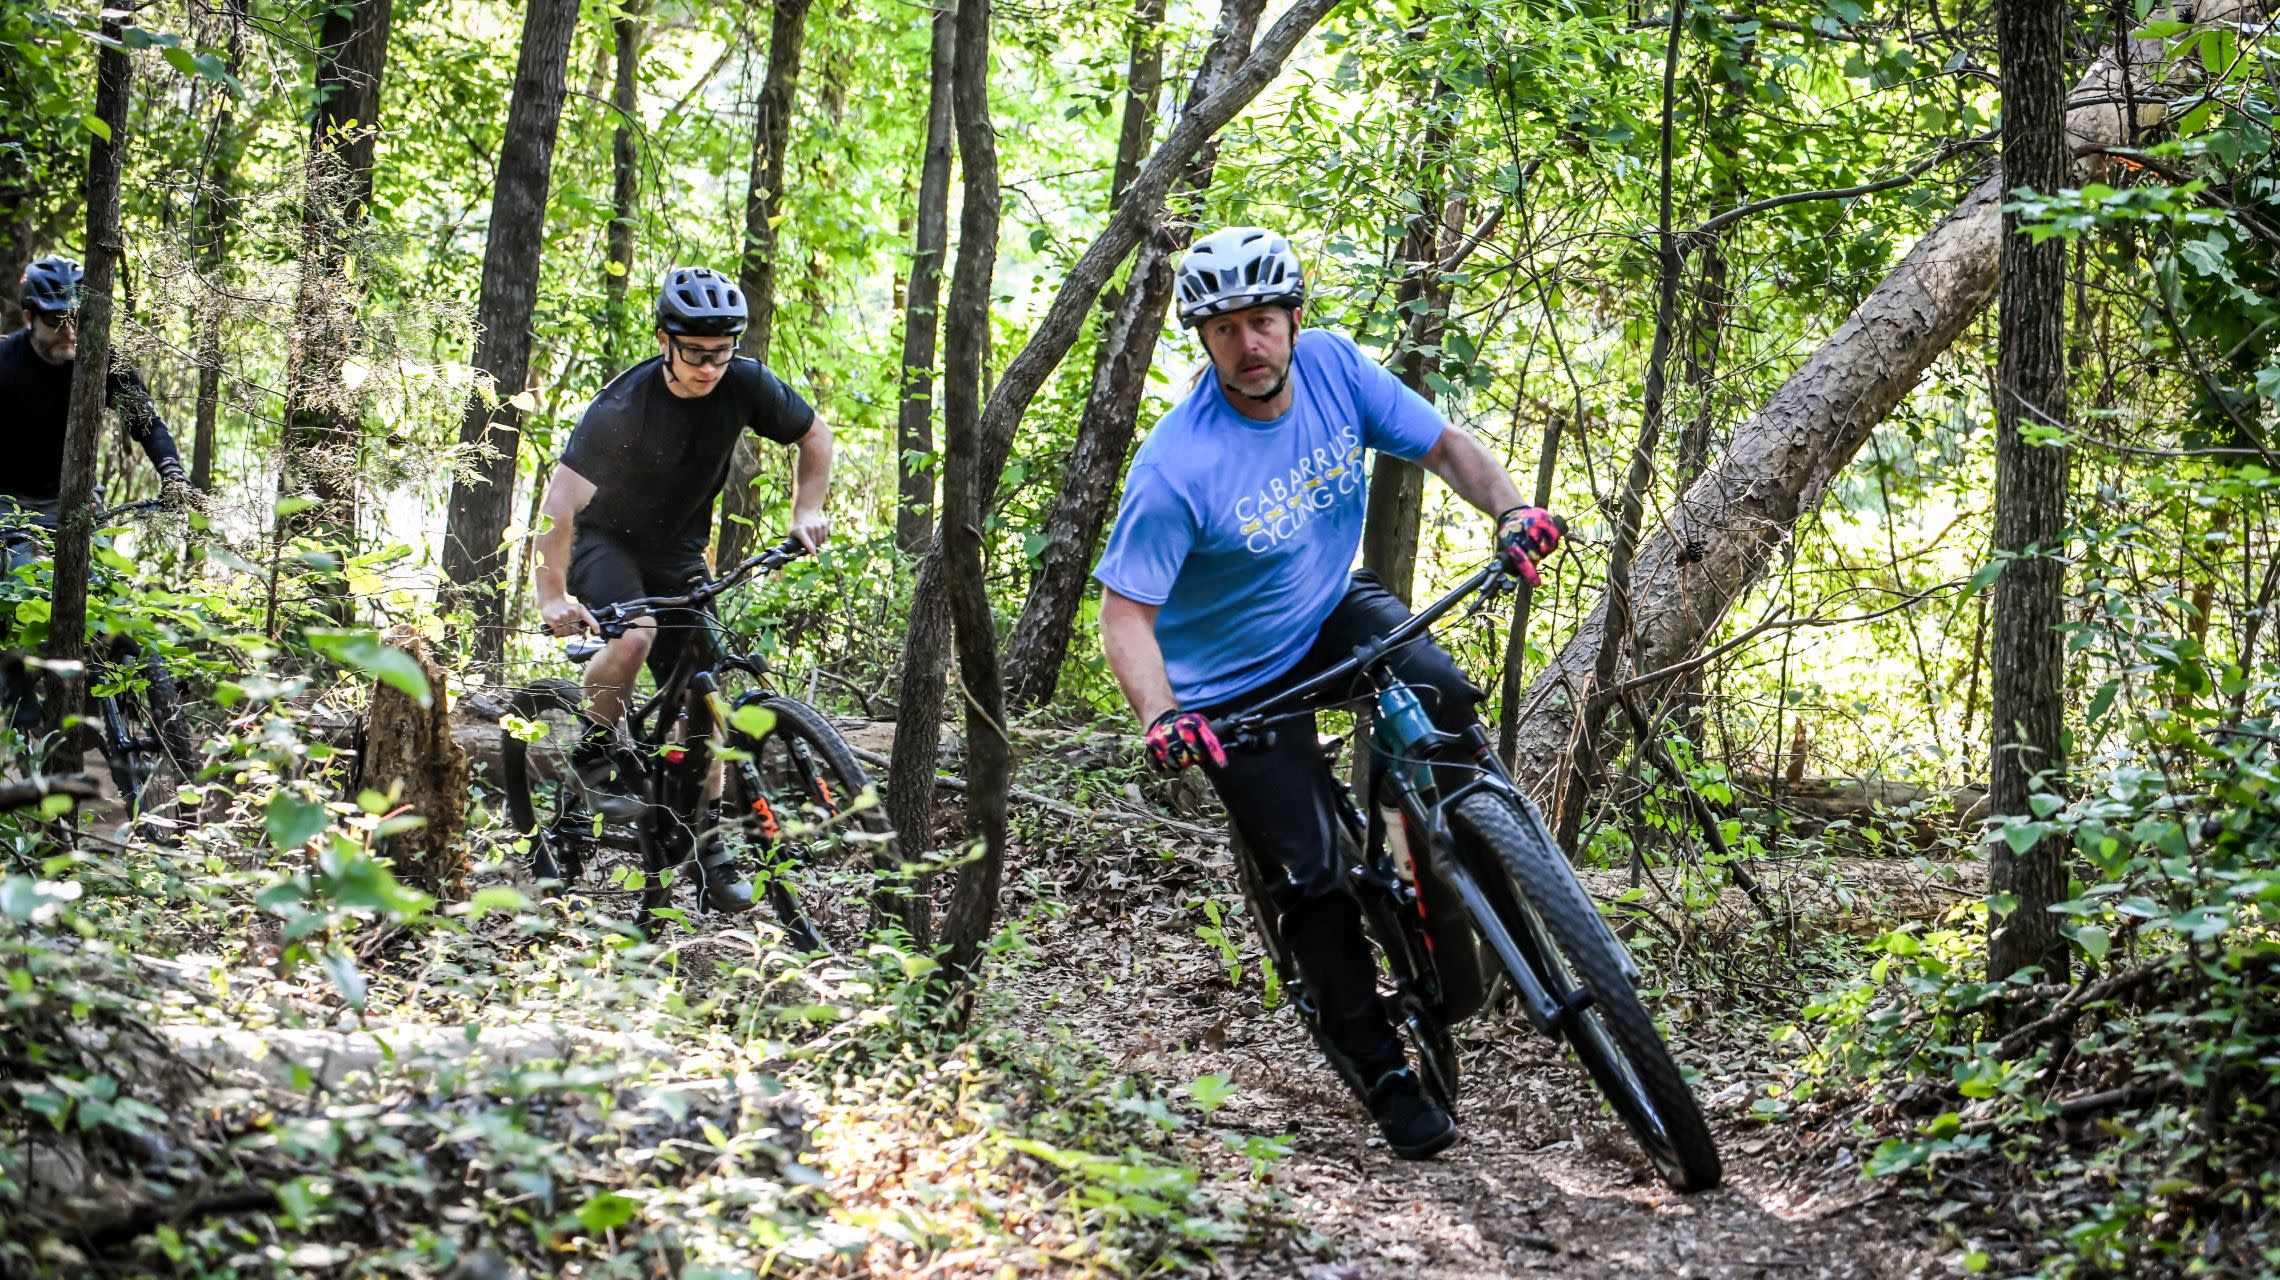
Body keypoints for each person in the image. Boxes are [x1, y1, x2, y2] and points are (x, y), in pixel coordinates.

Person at [1092, 227, 1565, 1160]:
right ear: (1205, 340)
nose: (1248, 345)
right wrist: (1162, 716)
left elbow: (1445, 448)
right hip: (1226, 680)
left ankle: (1448, 845)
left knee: (1443, 696)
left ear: (1295, 320)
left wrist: (1512, 509)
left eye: (1262, 321)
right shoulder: (1176, 466)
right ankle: (1382, 1069)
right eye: (1224, 330)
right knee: (1313, 876)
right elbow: (1125, 616)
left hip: (1326, 607)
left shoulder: (1340, 372)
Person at [529, 265, 834, 912]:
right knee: (636, 634)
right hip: (602, 542)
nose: (708, 367)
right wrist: (553, 597)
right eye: (695, 353)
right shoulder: (622, 407)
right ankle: (587, 767)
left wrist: (806, 509)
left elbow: (815, 435)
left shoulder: (744, 382)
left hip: (677, 550)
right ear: (664, 340)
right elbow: (559, 508)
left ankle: (707, 847)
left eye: (720, 354)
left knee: (704, 697)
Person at [1, 256, 193, 544]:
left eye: (77, 319)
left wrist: (172, 473)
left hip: (76, 500)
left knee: (104, 582)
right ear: (29, 318)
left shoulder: (104, 360)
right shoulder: (5, 362)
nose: (69, 332)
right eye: (56, 320)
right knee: (20, 576)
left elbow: (146, 422)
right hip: (8, 504)